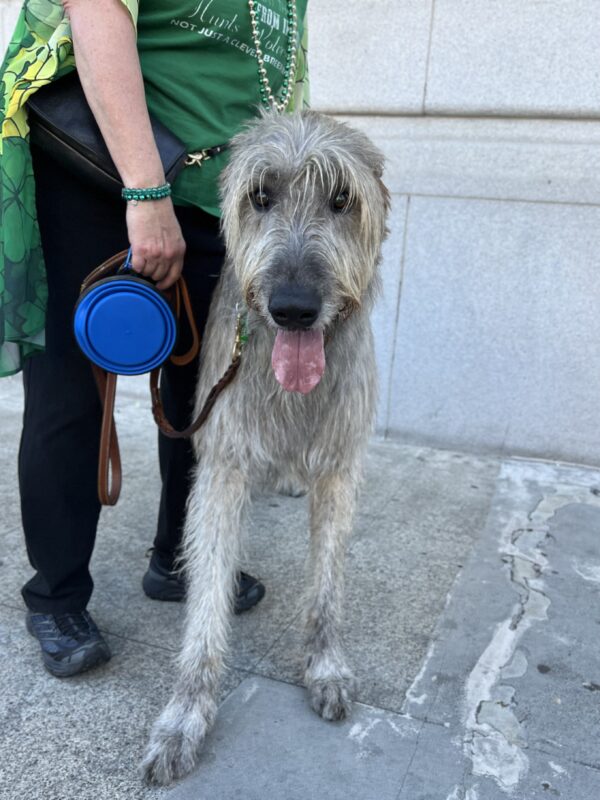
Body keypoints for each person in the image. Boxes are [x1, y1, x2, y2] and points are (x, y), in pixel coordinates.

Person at [0, 0, 309, 678]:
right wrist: (146, 194)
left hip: (221, 194)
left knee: (204, 390)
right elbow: (95, 8)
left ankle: (180, 556)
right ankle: (55, 595)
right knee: (73, 396)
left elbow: (276, 71)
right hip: (96, 168)